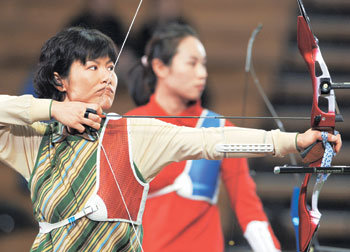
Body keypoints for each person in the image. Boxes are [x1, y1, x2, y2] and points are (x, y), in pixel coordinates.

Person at [0, 27, 341, 252]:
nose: (107, 77)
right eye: (93, 67)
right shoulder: (34, 142)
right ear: (60, 80)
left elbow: (214, 141)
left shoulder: (133, 133)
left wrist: (294, 141)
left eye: (110, 67)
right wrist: (51, 111)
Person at [126, 23, 279, 252]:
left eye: (204, 65)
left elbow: (248, 207)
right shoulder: (128, 125)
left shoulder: (219, 127)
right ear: (160, 67)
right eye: (192, 63)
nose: (203, 73)